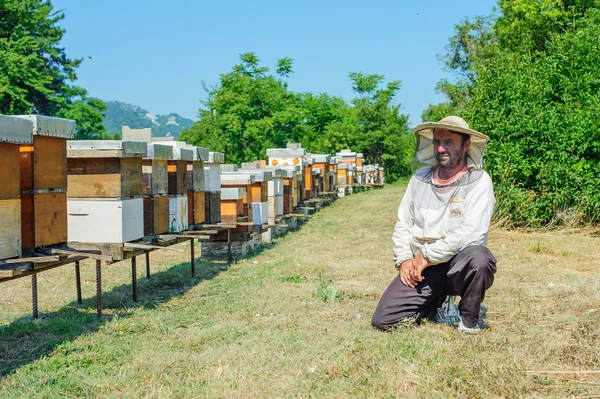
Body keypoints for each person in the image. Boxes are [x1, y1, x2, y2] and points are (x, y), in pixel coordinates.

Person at [371, 116, 497, 333]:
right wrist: (404, 260)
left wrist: (427, 255)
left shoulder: (479, 181)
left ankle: (468, 319)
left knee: (480, 258)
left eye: (448, 142)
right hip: (423, 269)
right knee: (384, 320)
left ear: (466, 144)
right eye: (437, 142)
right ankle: (437, 303)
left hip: (458, 266)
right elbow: (404, 223)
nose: (440, 148)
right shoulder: (419, 178)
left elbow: (472, 232)